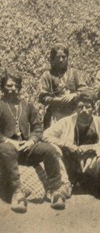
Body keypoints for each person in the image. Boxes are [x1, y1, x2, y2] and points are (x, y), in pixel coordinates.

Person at [0, 70, 66, 213]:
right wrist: (9, 141)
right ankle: (18, 193)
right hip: (6, 150)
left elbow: (37, 127)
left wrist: (31, 141)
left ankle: (55, 191)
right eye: (9, 85)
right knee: (5, 149)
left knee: (49, 149)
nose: (13, 88)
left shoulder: (27, 105)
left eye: (16, 85)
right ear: (2, 86)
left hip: (25, 147)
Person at [43, 91, 100, 195]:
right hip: (71, 161)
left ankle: (98, 184)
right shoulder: (66, 122)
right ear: (76, 108)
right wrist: (66, 144)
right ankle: (64, 185)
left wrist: (92, 148)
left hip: (93, 162)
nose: (84, 110)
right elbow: (45, 135)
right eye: (80, 107)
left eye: (88, 107)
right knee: (54, 150)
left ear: (94, 108)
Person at [39, 43, 86, 128]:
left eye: (63, 57)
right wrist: (59, 100)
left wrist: (74, 95)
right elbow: (43, 97)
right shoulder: (48, 75)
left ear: (67, 58)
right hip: (55, 114)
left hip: (74, 113)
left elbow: (86, 91)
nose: (61, 60)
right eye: (58, 57)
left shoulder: (75, 73)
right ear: (53, 60)